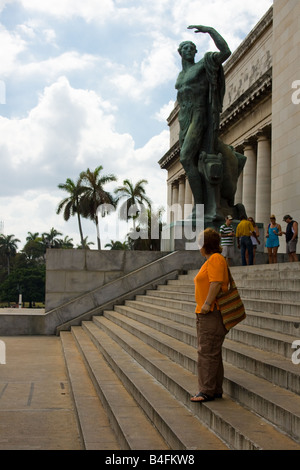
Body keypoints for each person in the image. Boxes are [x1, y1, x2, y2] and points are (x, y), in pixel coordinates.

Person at [175, 26, 231, 212]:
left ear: (195, 52)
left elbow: (225, 52)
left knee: (185, 157)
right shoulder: (180, 76)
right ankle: (204, 205)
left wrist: (210, 30)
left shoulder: (202, 65)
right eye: (186, 48)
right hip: (184, 119)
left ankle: (199, 208)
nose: (189, 50)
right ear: (180, 53)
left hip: (199, 116)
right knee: (193, 162)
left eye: (192, 47)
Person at [191, 228, 229, 403]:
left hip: (211, 312)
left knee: (206, 352)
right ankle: (215, 389)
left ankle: (206, 391)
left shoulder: (215, 259)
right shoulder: (211, 260)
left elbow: (216, 283)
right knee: (212, 352)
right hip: (206, 312)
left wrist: (206, 304)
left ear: (205, 245)